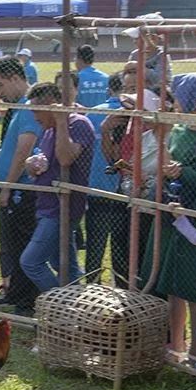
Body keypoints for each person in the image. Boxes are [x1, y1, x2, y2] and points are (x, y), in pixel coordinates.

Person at [20, 82, 95, 294]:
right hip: (47, 205)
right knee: (66, 267)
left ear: (52, 105)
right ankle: (75, 313)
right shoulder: (48, 131)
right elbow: (44, 160)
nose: (34, 115)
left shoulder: (78, 124)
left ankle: (60, 307)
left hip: (62, 208)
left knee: (31, 262)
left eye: (36, 109)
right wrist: (31, 164)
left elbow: (65, 158)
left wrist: (61, 121)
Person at [147, 74, 196, 360]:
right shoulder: (181, 129)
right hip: (175, 211)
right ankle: (176, 343)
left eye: (181, 96)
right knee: (174, 284)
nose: (176, 102)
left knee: (195, 288)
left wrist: (184, 172)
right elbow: (169, 159)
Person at [0, 58, 43, 314]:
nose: (0, 93)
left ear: (14, 78)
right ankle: (16, 293)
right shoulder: (18, 108)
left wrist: (8, 186)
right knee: (13, 244)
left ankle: (27, 300)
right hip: (12, 187)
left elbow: (24, 150)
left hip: (23, 191)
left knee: (22, 244)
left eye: (1, 85)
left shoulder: (29, 108)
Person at [84, 73, 128, 287]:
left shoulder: (92, 114)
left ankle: (92, 288)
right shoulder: (132, 114)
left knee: (95, 246)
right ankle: (122, 288)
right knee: (122, 248)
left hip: (96, 188)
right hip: (124, 191)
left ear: (108, 90)